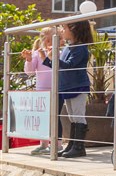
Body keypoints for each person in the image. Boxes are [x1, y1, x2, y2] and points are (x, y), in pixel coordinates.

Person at [52, 19, 93, 158]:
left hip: (78, 86)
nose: (62, 31)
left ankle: (79, 147)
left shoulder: (80, 48)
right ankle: (72, 144)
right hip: (68, 86)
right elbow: (61, 65)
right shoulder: (69, 47)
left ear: (74, 29)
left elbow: (70, 65)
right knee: (71, 116)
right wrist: (48, 59)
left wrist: (55, 59)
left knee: (78, 115)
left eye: (64, 28)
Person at [20, 27, 56, 155]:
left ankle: (57, 144)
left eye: (51, 38)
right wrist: (29, 59)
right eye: (45, 39)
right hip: (42, 89)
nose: (48, 41)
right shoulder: (36, 53)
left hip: (56, 88)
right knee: (43, 117)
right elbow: (29, 72)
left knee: (56, 116)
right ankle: (43, 144)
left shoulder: (59, 51)